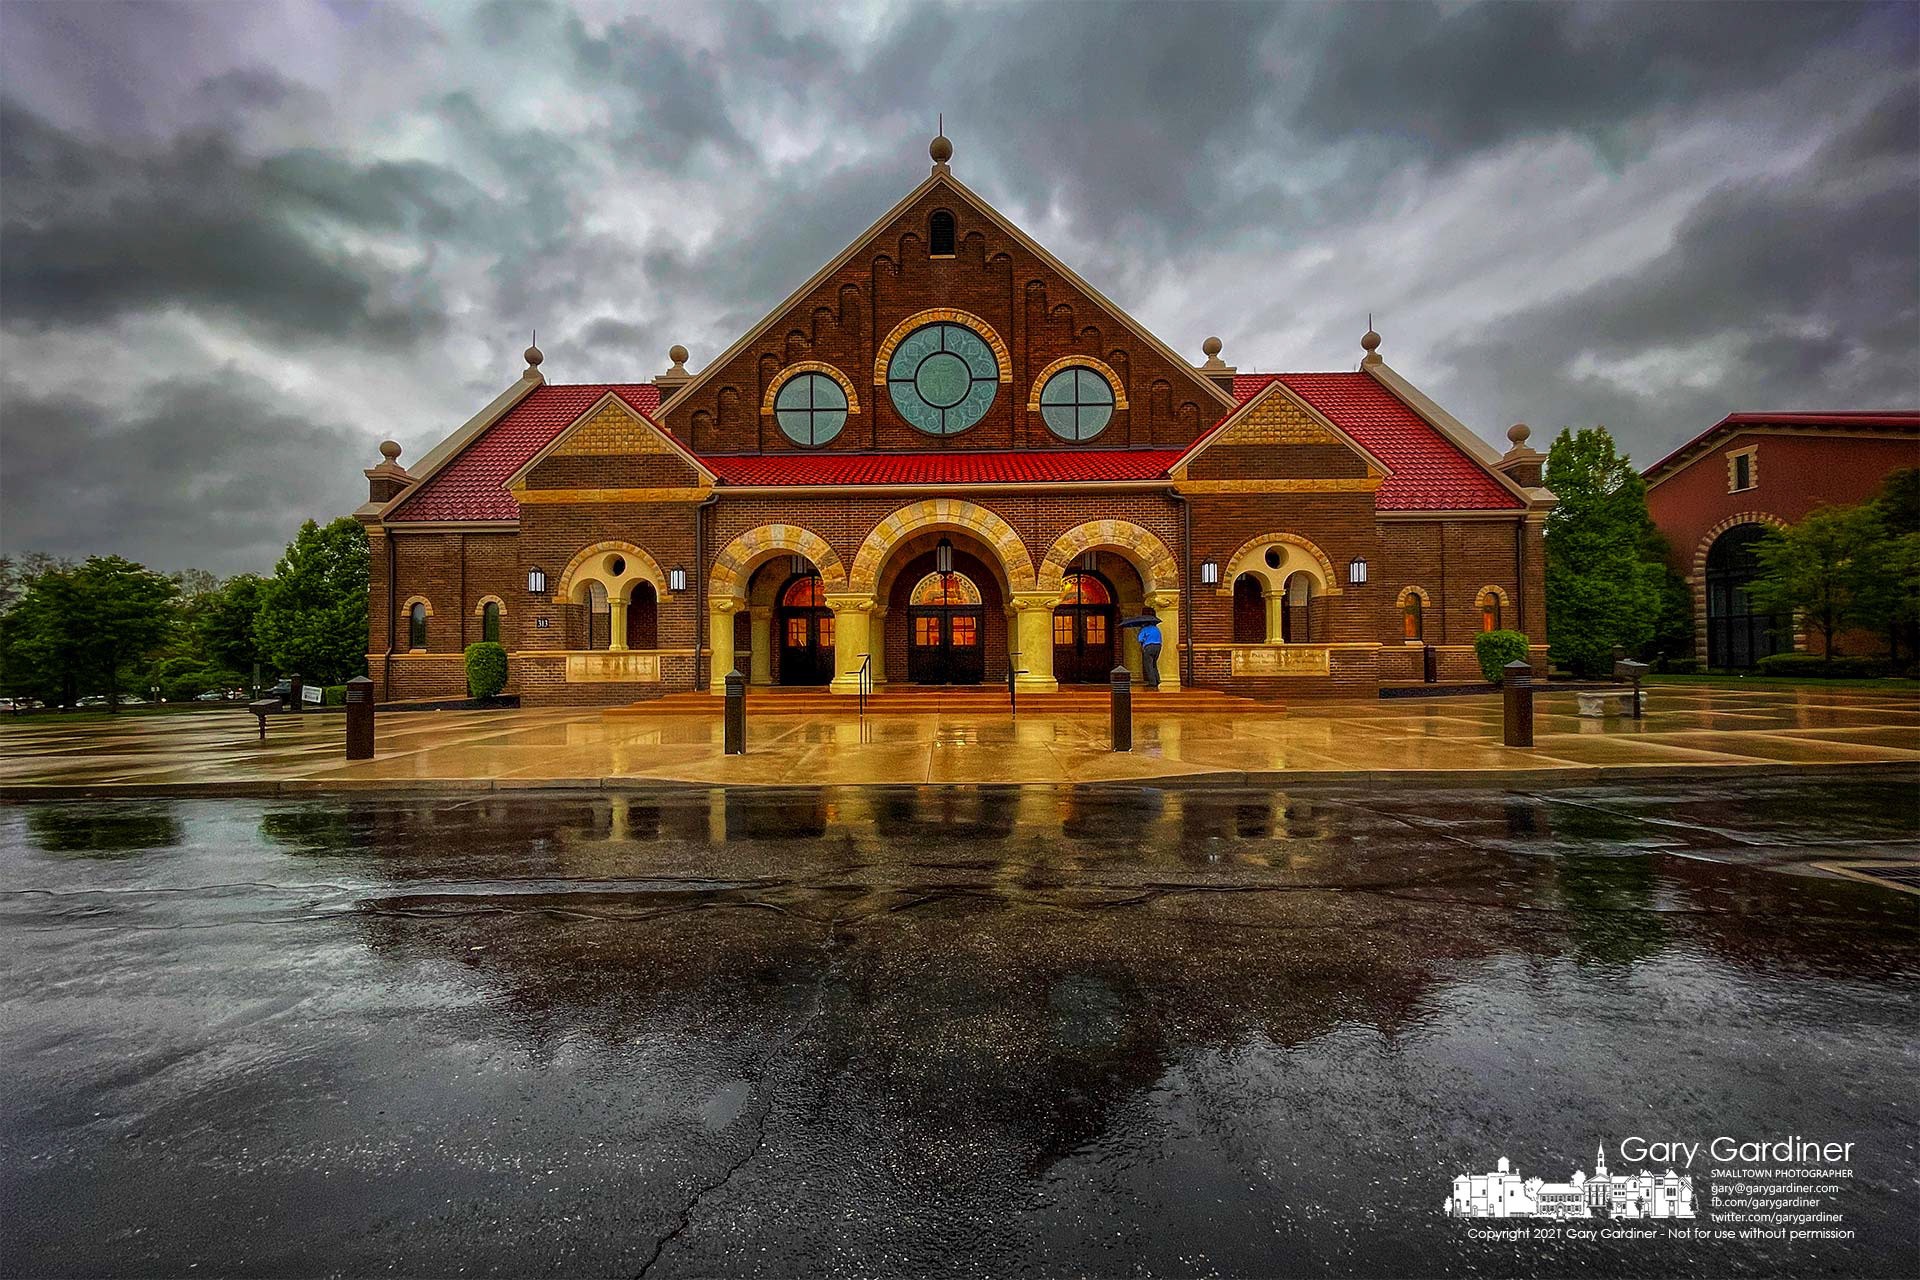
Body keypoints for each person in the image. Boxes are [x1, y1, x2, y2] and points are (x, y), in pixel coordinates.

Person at [1117, 607, 1163, 689]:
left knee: (1148, 664)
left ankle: (1152, 682)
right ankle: (1157, 680)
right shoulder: (1156, 628)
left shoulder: (1144, 629)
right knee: (1154, 664)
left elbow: (1140, 639)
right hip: (1158, 646)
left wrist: (1140, 633)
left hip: (1148, 647)